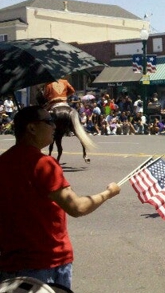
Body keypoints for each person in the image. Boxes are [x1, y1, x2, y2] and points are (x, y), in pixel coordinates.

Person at [0, 106, 121, 289]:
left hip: (10, 263)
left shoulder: (3, 162)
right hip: (47, 262)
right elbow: (77, 207)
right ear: (31, 128)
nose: (54, 126)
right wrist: (108, 193)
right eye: (49, 121)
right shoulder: (44, 164)